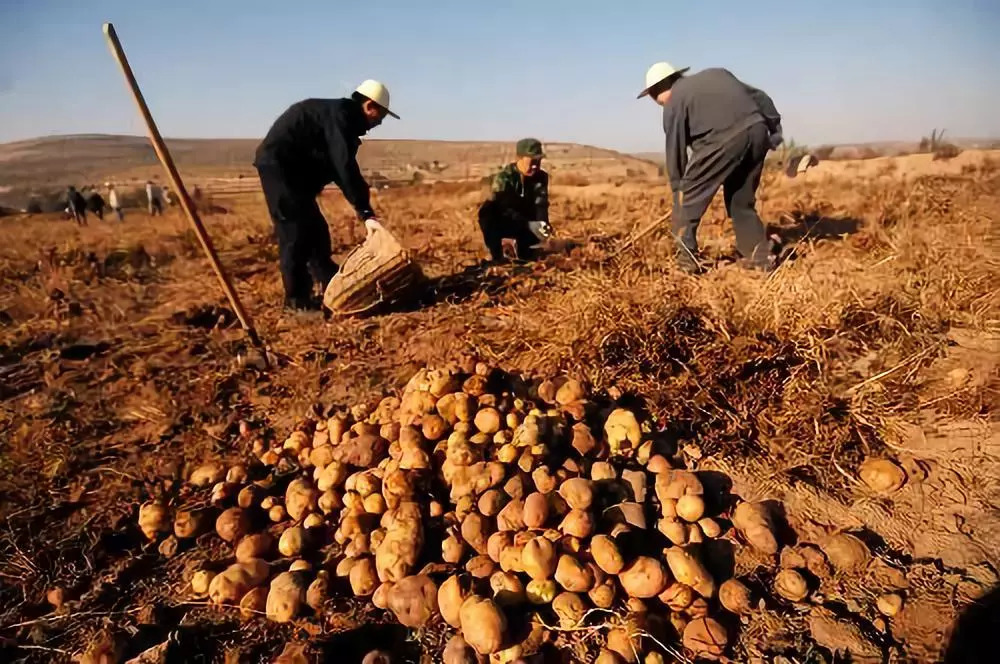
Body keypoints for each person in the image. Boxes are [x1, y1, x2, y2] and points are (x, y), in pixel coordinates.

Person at [254, 79, 399, 311]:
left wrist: (364, 211)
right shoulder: (340, 117)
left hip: (295, 176)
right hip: (280, 170)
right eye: (380, 116)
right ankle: (295, 303)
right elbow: (343, 167)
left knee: (316, 230)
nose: (378, 123)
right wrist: (365, 211)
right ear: (370, 106)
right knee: (294, 234)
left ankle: (330, 283)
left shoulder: (340, 119)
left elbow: (339, 168)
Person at [638, 62, 783, 273]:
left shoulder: (673, 102)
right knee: (740, 202)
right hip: (757, 129)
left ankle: (687, 265)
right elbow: (760, 97)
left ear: (655, 92)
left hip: (723, 140)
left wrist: (680, 191)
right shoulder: (717, 74)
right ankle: (760, 260)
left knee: (686, 203)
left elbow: (675, 151)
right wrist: (774, 127)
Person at [477, 138, 552, 263]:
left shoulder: (541, 177)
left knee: (528, 256)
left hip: (527, 221)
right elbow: (503, 209)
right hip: (506, 221)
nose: (535, 166)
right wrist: (527, 225)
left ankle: (526, 247)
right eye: (532, 162)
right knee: (487, 212)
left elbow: (541, 204)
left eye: (538, 162)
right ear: (519, 159)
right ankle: (496, 253)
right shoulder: (504, 178)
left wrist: (543, 225)